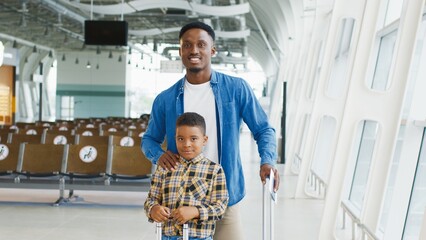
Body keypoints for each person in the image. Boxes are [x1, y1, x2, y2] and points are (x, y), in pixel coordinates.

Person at [142, 21, 280, 240]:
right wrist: (159, 155)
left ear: (212, 50)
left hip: (224, 198)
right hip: (180, 205)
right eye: (187, 45)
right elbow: (149, 140)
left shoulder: (236, 89)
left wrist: (267, 161)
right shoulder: (165, 99)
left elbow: (263, 129)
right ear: (180, 51)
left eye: (201, 44)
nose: (194, 50)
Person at [144, 112, 228, 240]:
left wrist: (196, 211)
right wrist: (153, 209)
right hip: (166, 236)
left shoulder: (214, 170)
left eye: (193, 138)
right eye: (181, 139)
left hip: (199, 237)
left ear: (204, 140)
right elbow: (151, 199)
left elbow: (220, 207)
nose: (186, 144)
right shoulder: (164, 168)